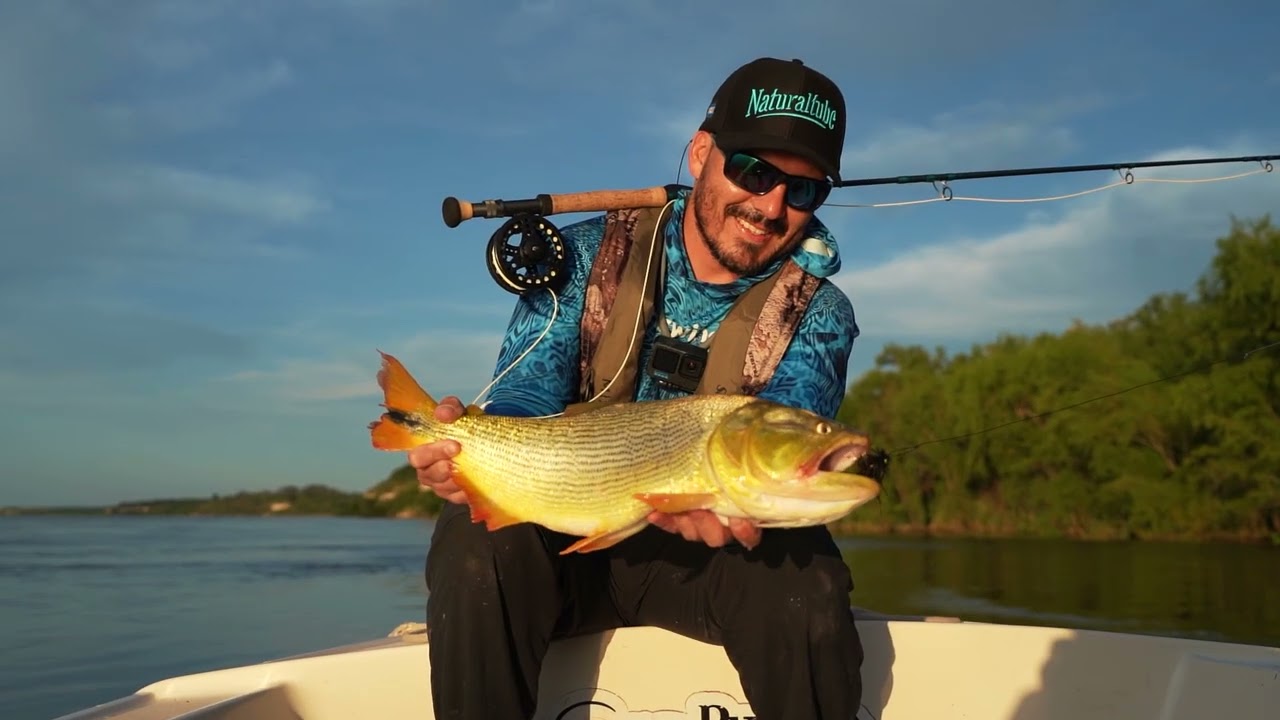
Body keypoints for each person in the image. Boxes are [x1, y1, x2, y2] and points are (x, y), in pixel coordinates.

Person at [409, 57, 865, 720]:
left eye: (803, 190)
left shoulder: (819, 311)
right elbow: (526, 394)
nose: (771, 207)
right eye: (754, 172)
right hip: (564, 540)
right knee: (476, 544)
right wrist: (472, 461)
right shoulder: (582, 255)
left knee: (808, 578)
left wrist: (738, 505)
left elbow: (790, 440)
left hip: (710, 560)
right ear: (701, 154)